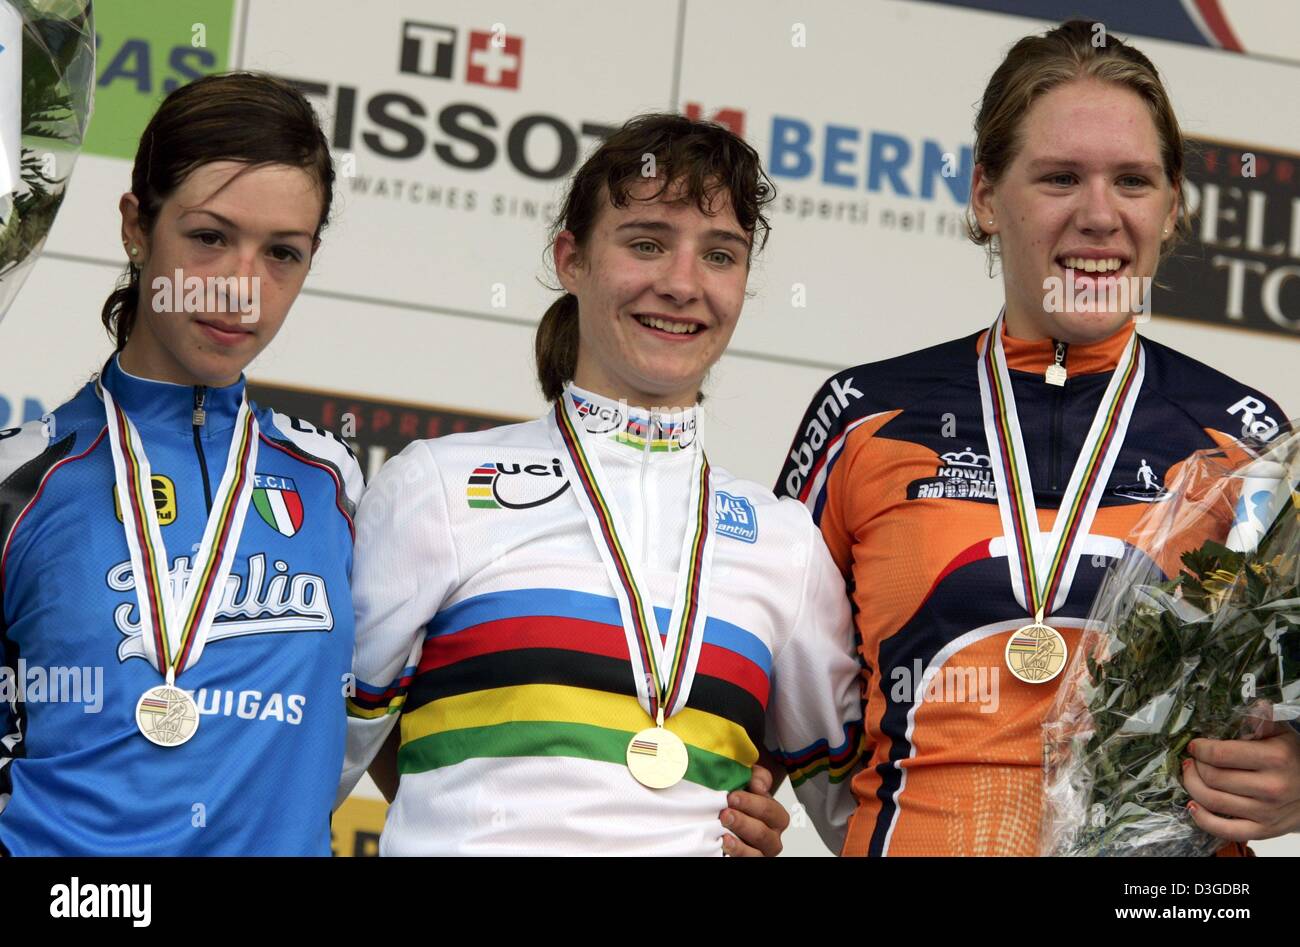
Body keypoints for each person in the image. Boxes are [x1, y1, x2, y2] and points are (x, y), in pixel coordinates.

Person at [776, 19, 1299, 856]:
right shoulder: (862, 415)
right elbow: (779, 684)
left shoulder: (1251, 443)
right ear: (985, 195)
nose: (1099, 215)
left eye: (1133, 181)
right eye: (1059, 177)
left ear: (1173, 209)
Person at [338, 113, 864, 856]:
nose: (683, 285)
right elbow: (312, 762)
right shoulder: (438, 487)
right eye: (646, 243)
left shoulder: (784, 544)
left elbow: (869, 818)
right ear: (571, 258)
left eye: (720, 254)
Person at [0, 72, 363, 855]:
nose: (242, 288)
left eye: (282, 254)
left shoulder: (339, 482)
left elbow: (417, 720)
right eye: (209, 237)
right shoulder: (18, 481)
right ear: (137, 225)